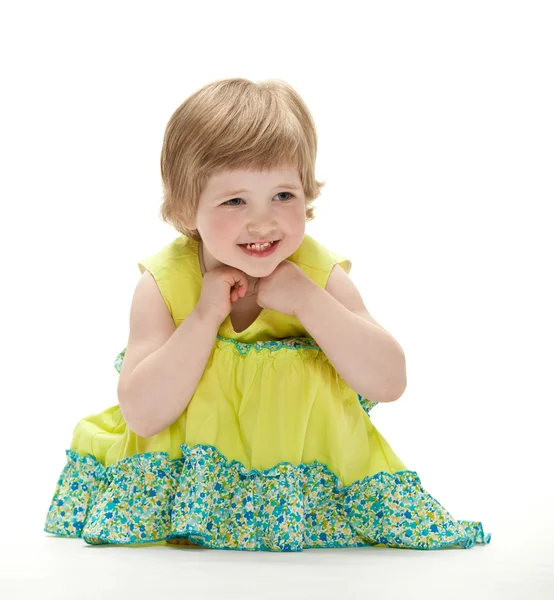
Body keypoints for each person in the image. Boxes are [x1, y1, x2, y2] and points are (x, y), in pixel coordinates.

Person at [44, 77, 491, 551]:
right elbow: (143, 414)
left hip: (306, 490)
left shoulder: (317, 276)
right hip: (187, 492)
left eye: (283, 195)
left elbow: (389, 381)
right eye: (234, 200)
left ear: (307, 195)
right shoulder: (166, 286)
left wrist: (308, 301)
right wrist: (202, 317)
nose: (263, 221)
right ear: (184, 210)